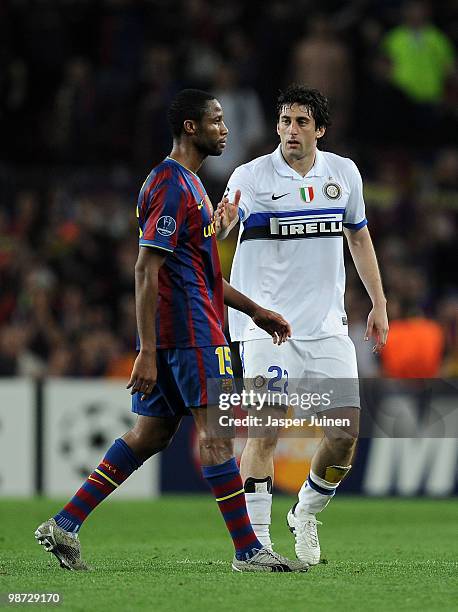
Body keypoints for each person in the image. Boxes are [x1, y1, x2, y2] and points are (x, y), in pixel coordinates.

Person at [34, 89, 308, 573]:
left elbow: (203, 275)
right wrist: (146, 351)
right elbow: (146, 268)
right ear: (190, 127)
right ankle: (248, 550)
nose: (225, 130)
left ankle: (65, 524)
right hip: (192, 337)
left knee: (150, 435)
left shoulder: (192, 187)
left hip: (183, 335)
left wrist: (257, 310)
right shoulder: (171, 185)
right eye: (217, 122)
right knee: (218, 436)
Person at [215, 84, 389, 565]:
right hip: (266, 327)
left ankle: (305, 514)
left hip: (327, 328)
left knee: (344, 435)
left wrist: (378, 302)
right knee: (265, 430)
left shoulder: (344, 174)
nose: (292, 131)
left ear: (320, 130)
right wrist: (225, 219)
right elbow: (228, 219)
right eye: (286, 121)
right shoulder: (251, 176)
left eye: (302, 123)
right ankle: (255, 546)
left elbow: (358, 237)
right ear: (277, 126)